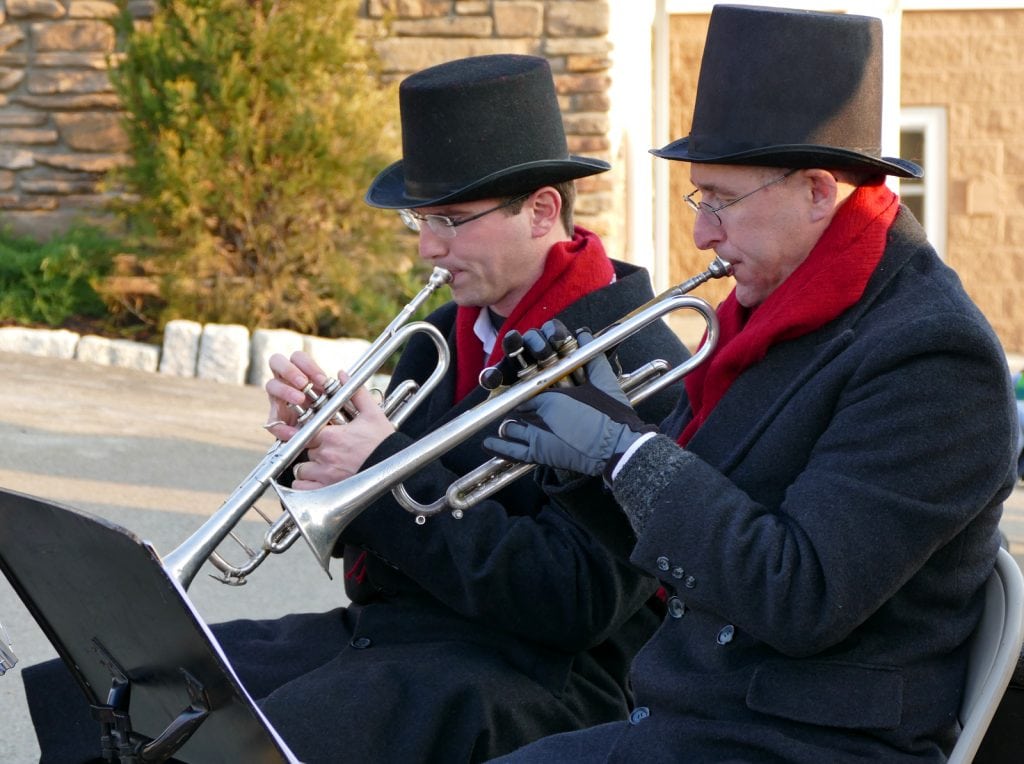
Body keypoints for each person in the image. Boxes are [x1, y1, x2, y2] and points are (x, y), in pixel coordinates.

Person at [22, 55, 687, 763]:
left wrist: (385, 474)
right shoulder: (444, 337)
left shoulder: (637, 363)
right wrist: (322, 453)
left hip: (540, 675)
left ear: (543, 210)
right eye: (421, 221)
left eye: (453, 221)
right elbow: (381, 544)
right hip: (403, 635)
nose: (430, 249)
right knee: (119, 689)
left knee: (265, 739)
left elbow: (578, 602)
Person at [482, 6, 1020, 762]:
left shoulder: (932, 354)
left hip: (807, 744)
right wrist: (584, 453)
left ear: (816, 190)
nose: (702, 232)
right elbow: (691, 560)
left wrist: (627, 453)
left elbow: (800, 594)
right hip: (704, 722)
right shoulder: (778, 313)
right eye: (698, 198)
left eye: (720, 199)